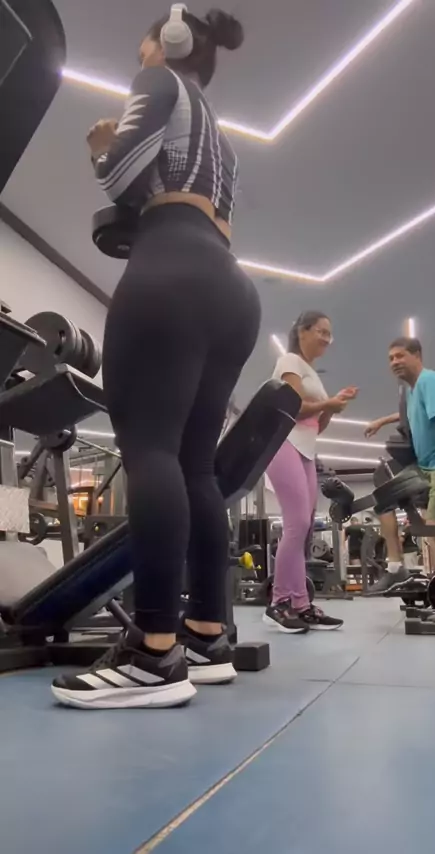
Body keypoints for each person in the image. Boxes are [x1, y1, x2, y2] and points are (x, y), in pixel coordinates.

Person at [52, 6, 261, 710]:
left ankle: (153, 654)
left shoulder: (159, 81)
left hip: (171, 268)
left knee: (149, 452)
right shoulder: (222, 139)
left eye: (144, 43)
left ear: (166, 42)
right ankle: (206, 636)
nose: (138, 54)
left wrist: (101, 146)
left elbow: (121, 177)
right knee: (195, 463)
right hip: (229, 285)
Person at [364, 337, 435, 622]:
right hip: (425, 467)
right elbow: (409, 414)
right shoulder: (413, 390)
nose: (394, 362)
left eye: (400, 356)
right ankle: (395, 566)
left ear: (417, 356)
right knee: (383, 493)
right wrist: (382, 421)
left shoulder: (430, 381)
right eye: (391, 358)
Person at [263, 310, 358, 632]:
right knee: (297, 524)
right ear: (302, 331)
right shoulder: (289, 361)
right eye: (321, 331)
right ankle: (279, 602)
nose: (327, 339)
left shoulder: (312, 374)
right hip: (283, 444)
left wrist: (333, 406)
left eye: (330, 334)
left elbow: (316, 425)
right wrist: (327, 404)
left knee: (305, 529)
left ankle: (301, 604)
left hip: (305, 448)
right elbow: (293, 407)